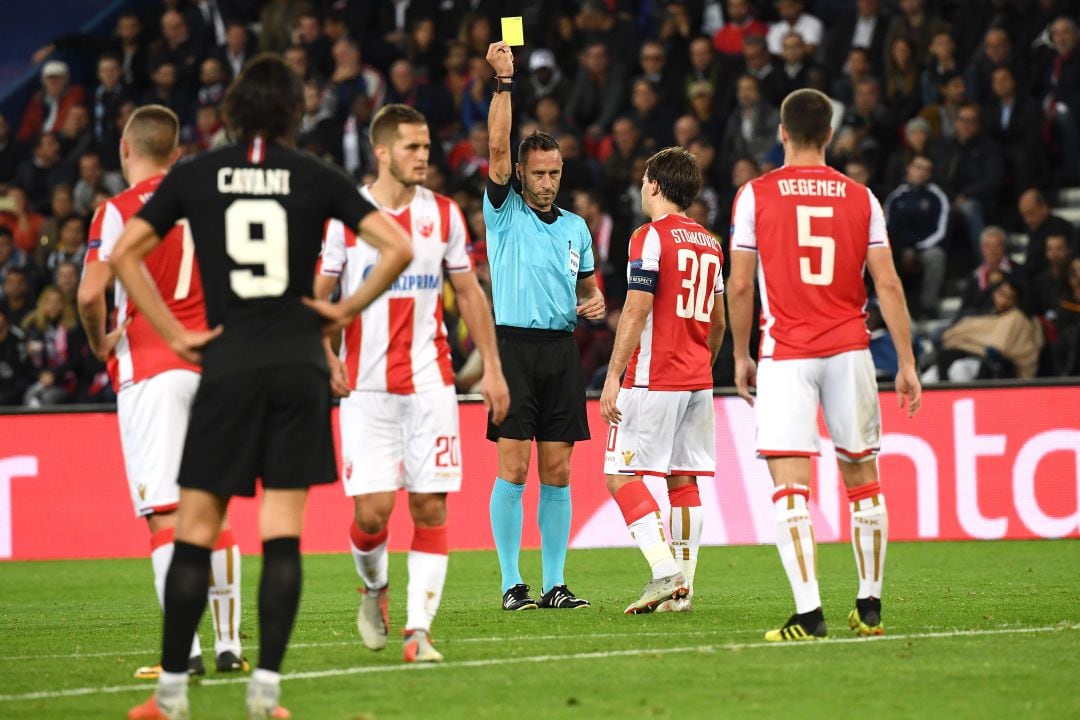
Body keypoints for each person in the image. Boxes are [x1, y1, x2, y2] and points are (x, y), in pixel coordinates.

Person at [115, 55, 412, 720]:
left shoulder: (197, 174)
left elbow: (126, 253)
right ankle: (266, 694)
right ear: (292, 112)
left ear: (232, 110)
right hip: (296, 365)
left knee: (194, 531)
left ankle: (169, 696)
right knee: (283, 535)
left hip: (227, 362)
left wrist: (174, 331)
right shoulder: (314, 176)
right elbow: (394, 245)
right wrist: (340, 310)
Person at [314, 104, 509, 663]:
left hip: (431, 386)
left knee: (430, 508)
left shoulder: (444, 215)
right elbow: (317, 294)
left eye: (426, 147)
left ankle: (417, 632)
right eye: (411, 148)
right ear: (381, 152)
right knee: (371, 514)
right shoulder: (345, 218)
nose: (424, 156)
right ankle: (374, 588)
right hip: (366, 389)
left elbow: (469, 294)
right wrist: (324, 351)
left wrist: (492, 369)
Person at [727, 88, 921, 642]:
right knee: (863, 478)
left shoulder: (755, 196)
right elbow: (887, 282)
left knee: (791, 488)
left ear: (781, 133)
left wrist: (741, 354)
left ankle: (810, 614)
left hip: (786, 354)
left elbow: (740, 283)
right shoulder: (862, 197)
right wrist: (906, 361)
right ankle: (870, 606)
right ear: (830, 135)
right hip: (850, 351)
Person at [77, 104, 247, 681]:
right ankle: (228, 644)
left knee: (165, 518)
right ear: (175, 154)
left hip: (151, 369)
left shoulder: (118, 210)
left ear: (126, 150)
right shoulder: (205, 203)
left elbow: (88, 292)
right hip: (212, 368)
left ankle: (186, 652)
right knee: (213, 510)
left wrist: (101, 341)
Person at [484, 41, 605, 611]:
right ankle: (512, 583)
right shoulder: (503, 210)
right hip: (512, 347)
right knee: (514, 465)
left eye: (555, 172)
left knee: (557, 470)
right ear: (521, 174)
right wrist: (505, 83)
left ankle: (555, 583)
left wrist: (595, 301)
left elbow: (586, 288)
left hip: (560, 350)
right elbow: (495, 145)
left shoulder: (577, 228)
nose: (548, 181)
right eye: (539, 173)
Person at [599, 147, 725, 614]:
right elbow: (717, 323)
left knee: (619, 474)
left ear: (653, 184)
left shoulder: (648, 238)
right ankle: (683, 591)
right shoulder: (710, 243)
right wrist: (701, 364)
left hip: (654, 378)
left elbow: (635, 308)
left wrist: (614, 376)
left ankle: (663, 571)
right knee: (682, 478)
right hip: (697, 379)